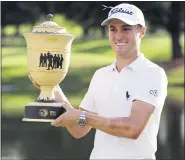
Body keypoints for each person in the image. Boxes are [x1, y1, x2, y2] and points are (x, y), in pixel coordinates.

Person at [30, 3, 168, 159]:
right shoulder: (101, 75)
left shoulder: (153, 73)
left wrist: (82, 117)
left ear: (141, 32)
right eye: (113, 29)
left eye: (126, 29)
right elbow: (78, 129)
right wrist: (53, 87)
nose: (118, 36)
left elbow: (132, 129)